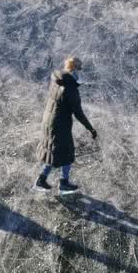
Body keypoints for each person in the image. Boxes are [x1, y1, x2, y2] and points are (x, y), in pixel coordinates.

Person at [34, 56, 98, 193]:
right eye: (78, 69)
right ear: (74, 69)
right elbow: (78, 113)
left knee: (53, 150)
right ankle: (64, 183)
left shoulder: (56, 78)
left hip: (48, 119)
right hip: (59, 124)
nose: (80, 73)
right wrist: (91, 129)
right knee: (67, 153)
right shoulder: (70, 89)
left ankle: (41, 180)